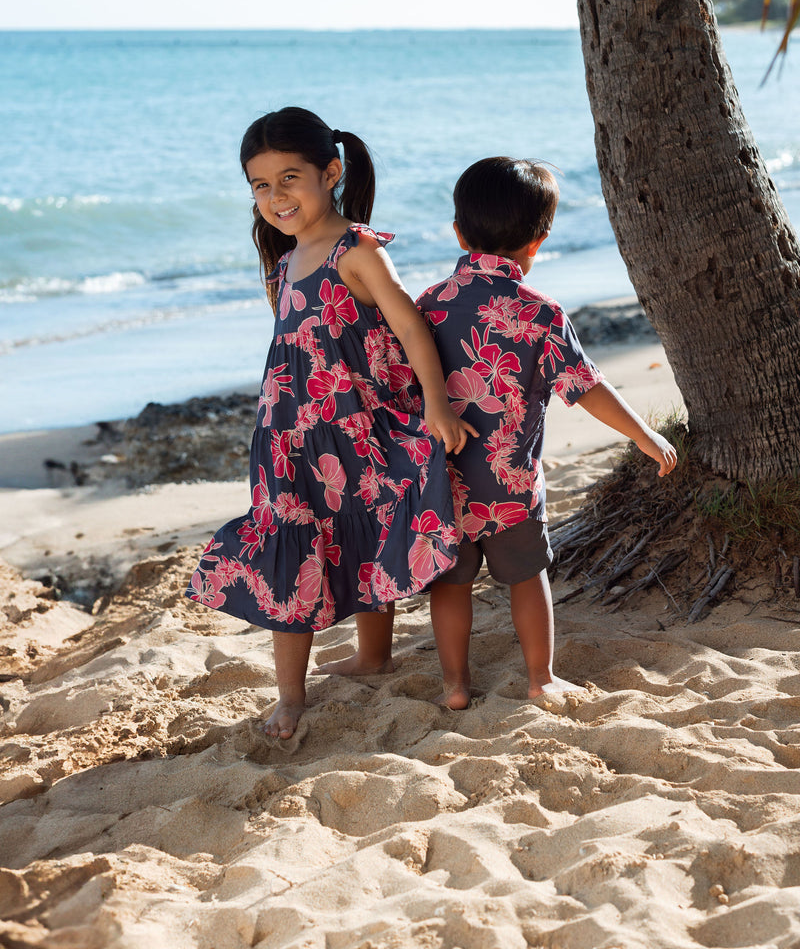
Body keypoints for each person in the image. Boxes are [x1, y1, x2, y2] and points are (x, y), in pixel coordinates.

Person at [186, 107, 474, 738]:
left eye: (289, 178)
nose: (274, 196)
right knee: (289, 543)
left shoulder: (357, 250)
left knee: (367, 532)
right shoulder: (284, 261)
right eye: (260, 185)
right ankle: (290, 695)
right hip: (289, 438)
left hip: (357, 429)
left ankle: (374, 657)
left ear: (332, 171)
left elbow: (409, 326)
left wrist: (436, 401)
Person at [413, 156, 677, 709]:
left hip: (441, 481)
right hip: (508, 486)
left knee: (449, 584)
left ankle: (455, 687)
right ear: (539, 241)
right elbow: (586, 387)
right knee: (529, 579)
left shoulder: (427, 304)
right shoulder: (540, 313)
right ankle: (541, 679)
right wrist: (643, 437)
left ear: (459, 232)